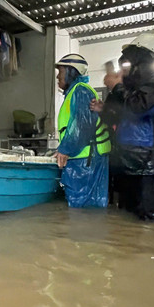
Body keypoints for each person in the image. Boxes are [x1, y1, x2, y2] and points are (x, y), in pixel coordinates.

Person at [91, 33, 154, 221]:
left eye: (130, 62)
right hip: (127, 165)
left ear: (143, 59)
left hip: (149, 168)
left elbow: (138, 108)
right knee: (125, 222)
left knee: (150, 223)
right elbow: (116, 117)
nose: (125, 66)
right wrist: (103, 109)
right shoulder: (130, 90)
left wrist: (117, 87)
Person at [54, 53, 111, 208]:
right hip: (84, 157)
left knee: (83, 208)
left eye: (61, 72)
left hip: (87, 160)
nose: (58, 77)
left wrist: (65, 149)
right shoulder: (74, 92)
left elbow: (82, 125)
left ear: (72, 71)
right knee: (84, 209)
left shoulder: (81, 91)